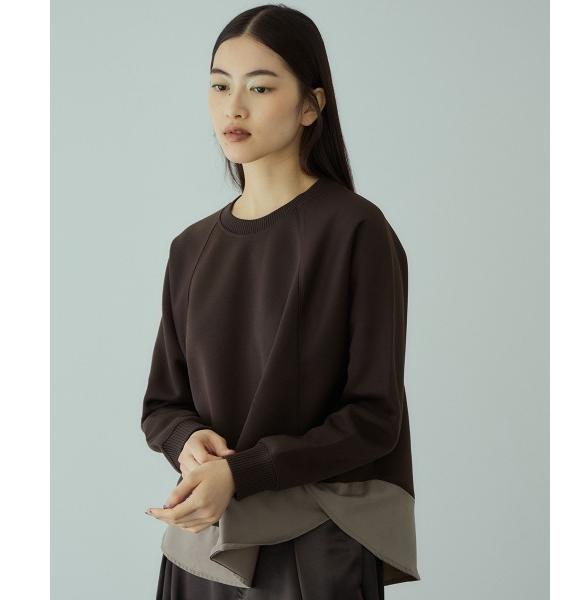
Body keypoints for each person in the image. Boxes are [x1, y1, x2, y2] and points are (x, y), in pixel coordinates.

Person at [141, 4, 420, 599]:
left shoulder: (355, 231)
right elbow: (163, 403)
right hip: (204, 548)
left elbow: (374, 418)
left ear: (311, 105)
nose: (233, 108)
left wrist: (241, 473)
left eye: (260, 87)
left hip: (315, 546)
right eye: (220, 86)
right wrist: (187, 442)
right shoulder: (190, 247)